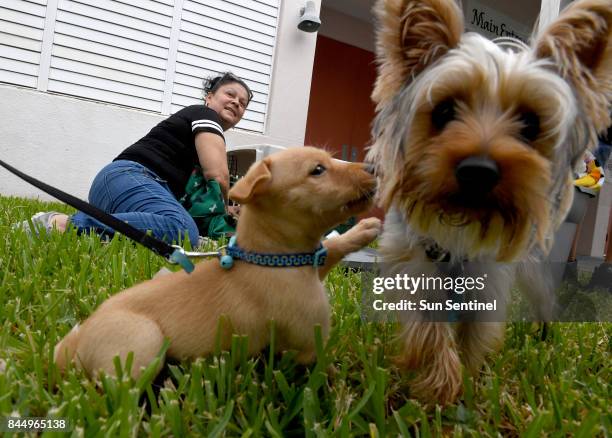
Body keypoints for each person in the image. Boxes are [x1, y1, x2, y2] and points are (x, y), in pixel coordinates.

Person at [18, 72, 252, 247]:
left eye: (242, 104)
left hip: (115, 191)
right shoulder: (204, 115)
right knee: (182, 229)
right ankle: (59, 224)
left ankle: (99, 230)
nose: (236, 103)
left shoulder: (198, 129)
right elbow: (217, 174)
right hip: (132, 178)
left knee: (181, 233)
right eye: (230, 94)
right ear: (209, 98)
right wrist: (225, 208)